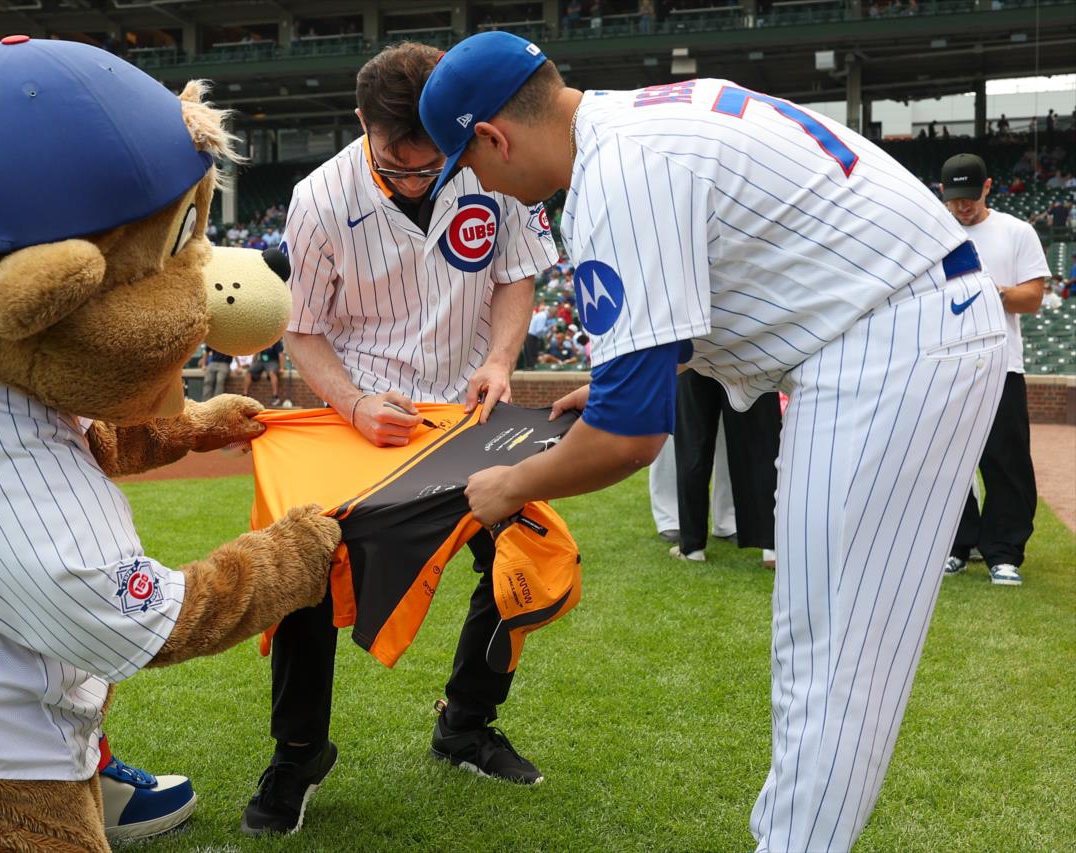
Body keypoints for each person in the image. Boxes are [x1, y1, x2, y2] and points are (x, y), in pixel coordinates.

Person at [421, 32, 1007, 852]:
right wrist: (647, 365)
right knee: (816, 647)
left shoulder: (617, 176)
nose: (478, 180)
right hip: (888, 322)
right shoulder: (635, 121)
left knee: (835, 663)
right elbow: (746, 259)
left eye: (468, 163)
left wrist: (513, 486)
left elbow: (628, 438)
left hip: (893, 341)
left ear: (493, 136)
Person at [239, 41, 557, 837]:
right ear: (360, 126)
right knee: (308, 563)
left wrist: (498, 358)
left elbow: (517, 272)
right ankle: (299, 749)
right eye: (397, 163)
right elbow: (302, 332)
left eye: (430, 162)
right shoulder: (316, 199)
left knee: (528, 555)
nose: (417, 177)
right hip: (366, 420)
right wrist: (350, 402)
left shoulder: (487, 165)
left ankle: (466, 721)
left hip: (467, 412)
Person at [939, 154, 1050, 586]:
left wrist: (993, 293)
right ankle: (955, 545)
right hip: (948, 363)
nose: (962, 207)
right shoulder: (937, 232)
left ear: (987, 187)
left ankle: (1004, 552)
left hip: (1002, 364)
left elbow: (1034, 298)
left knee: (1006, 461)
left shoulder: (1015, 231)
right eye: (954, 199)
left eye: (969, 197)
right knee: (946, 462)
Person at [669, 370, 778, 569]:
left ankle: (692, 547)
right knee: (760, 445)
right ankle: (771, 546)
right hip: (749, 353)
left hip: (697, 353)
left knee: (693, 445)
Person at [242, 339, 283, 406]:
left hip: (273, 361)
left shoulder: (276, 340)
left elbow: (281, 354)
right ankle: (245, 395)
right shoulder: (262, 339)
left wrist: (281, 368)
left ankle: (275, 396)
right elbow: (256, 353)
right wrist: (252, 364)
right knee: (249, 372)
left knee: (272, 373)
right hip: (261, 361)